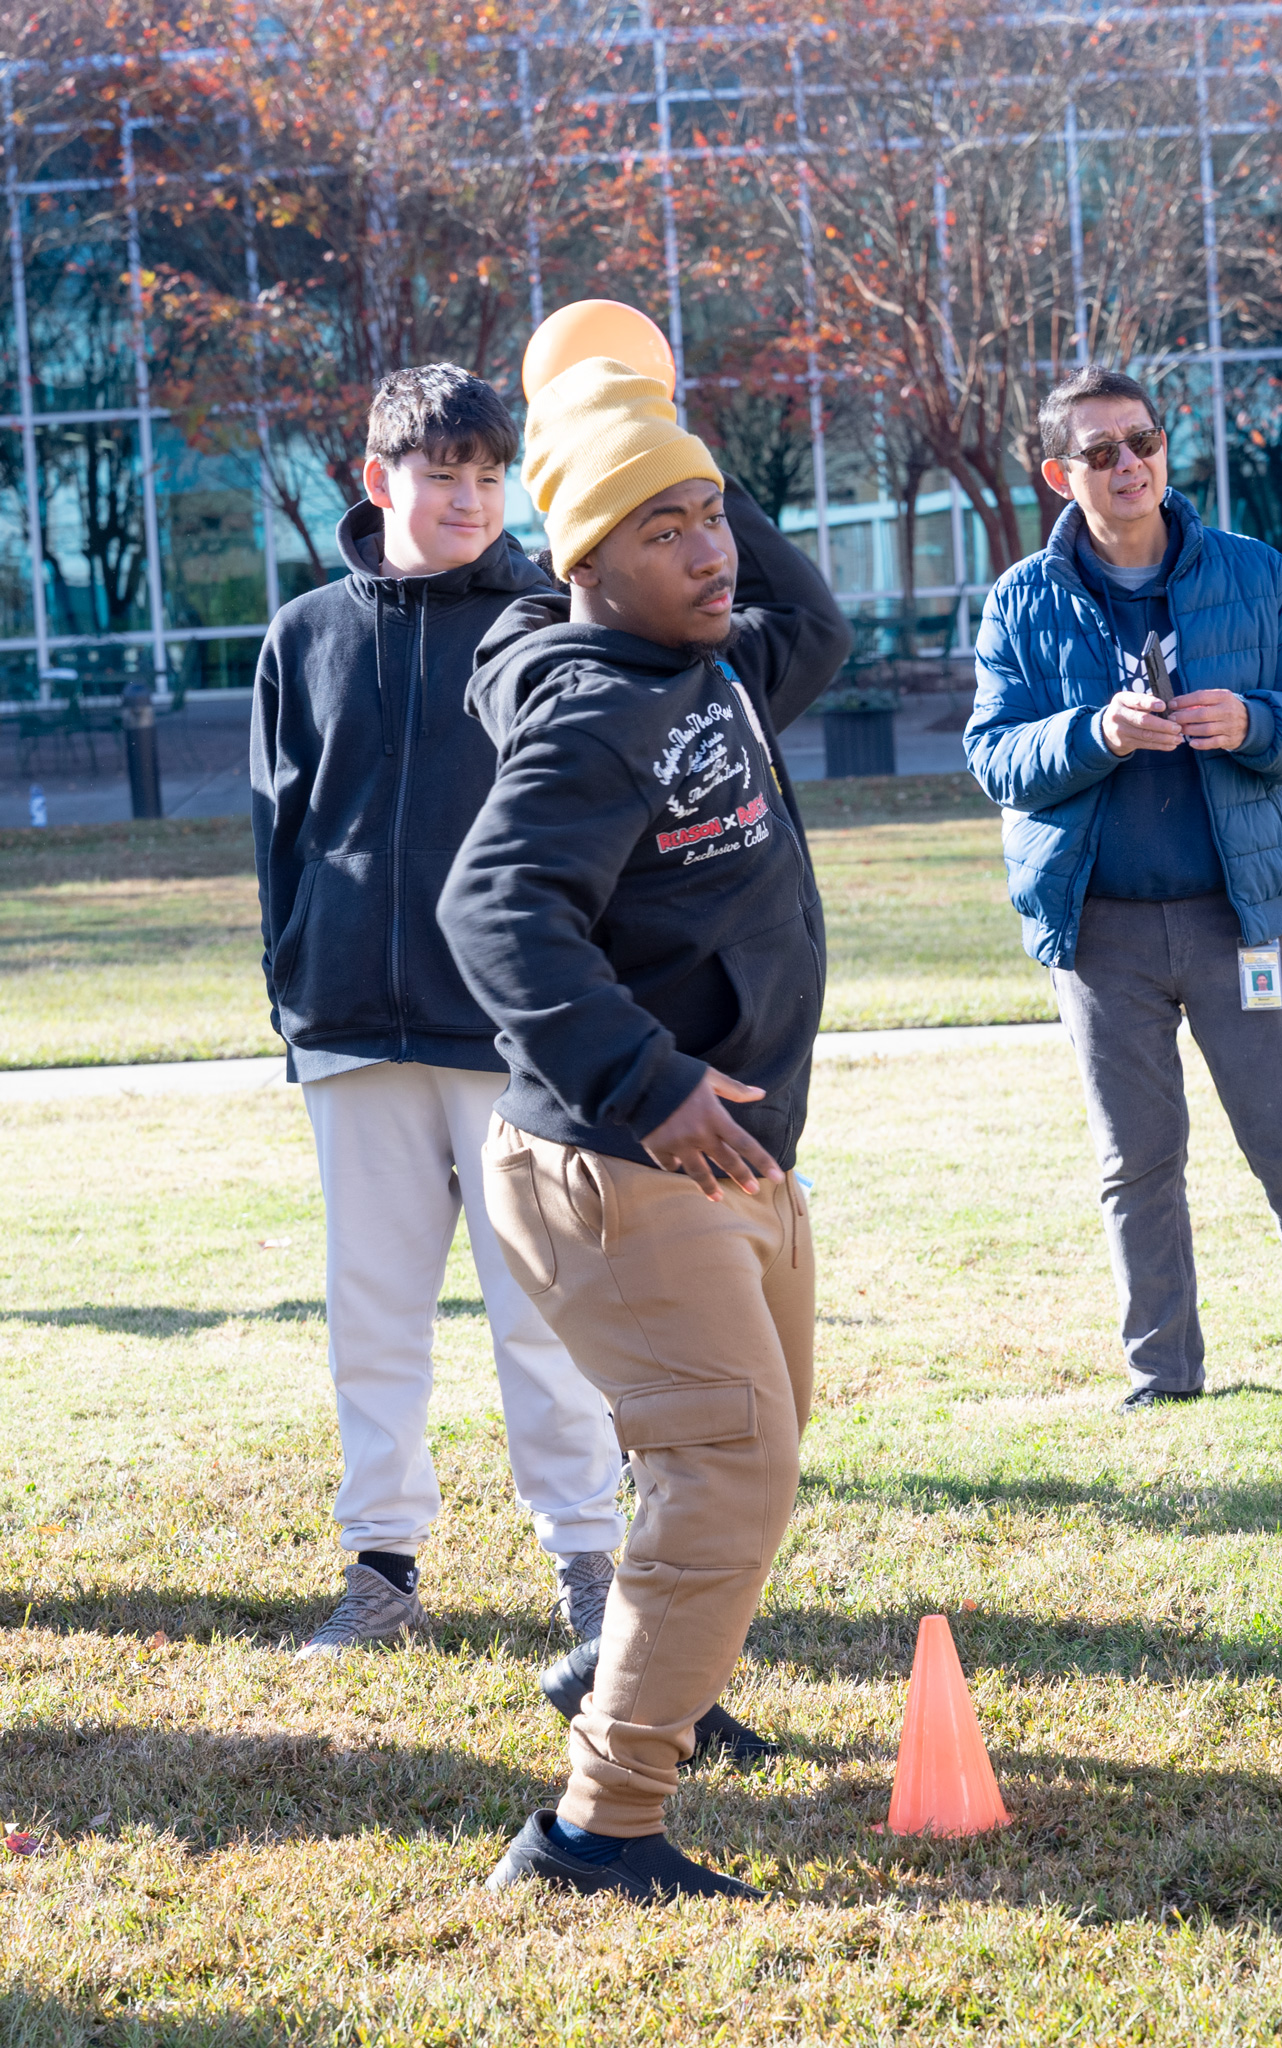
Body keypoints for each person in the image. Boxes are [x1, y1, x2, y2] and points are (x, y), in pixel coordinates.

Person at [438, 355, 850, 1904]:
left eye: (713, 518)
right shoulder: (598, 709)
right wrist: (651, 1081)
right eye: (662, 531)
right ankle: (594, 1833)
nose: (709, 551)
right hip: (625, 1160)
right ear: (585, 566)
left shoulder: (708, 663)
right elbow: (494, 906)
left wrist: (667, 432)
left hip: (730, 1156)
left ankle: (629, 1669)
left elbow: (817, 626)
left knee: (749, 1459)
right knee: (727, 1463)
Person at [250, 365, 626, 1659]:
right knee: (372, 1314)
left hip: (519, 1035)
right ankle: (381, 1571)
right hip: (351, 1025)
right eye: (441, 473)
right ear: (378, 479)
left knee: (545, 1315)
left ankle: (588, 1563)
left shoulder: (546, 619)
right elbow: (281, 832)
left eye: (488, 475)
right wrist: (297, 989)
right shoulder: (304, 635)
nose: (469, 498)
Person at [965, 364, 1282, 1411]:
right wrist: (1094, 733)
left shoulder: (1253, 573)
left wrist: (1253, 721)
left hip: (1237, 919)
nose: (1130, 464)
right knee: (1136, 1164)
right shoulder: (1022, 599)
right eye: (1101, 451)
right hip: (1098, 932)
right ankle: (1162, 1377)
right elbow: (992, 757)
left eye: (1144, 441)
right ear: (1059, 474)